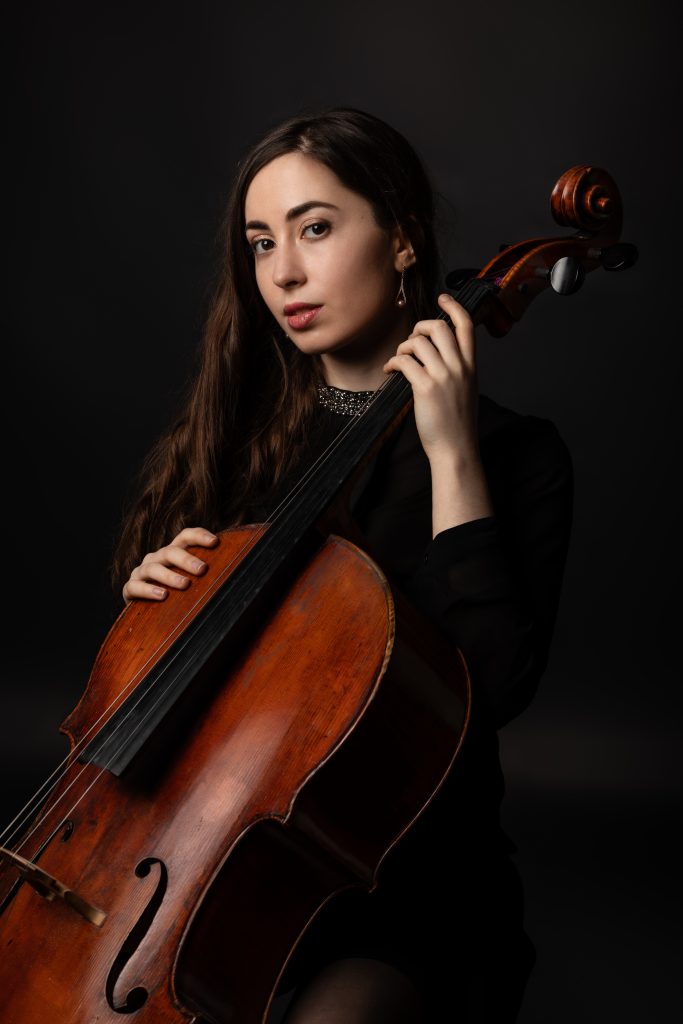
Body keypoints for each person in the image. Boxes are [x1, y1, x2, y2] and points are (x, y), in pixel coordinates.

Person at [113, 107, 574, 1023]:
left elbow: (487, 691)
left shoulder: (516, 456)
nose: (282, 272)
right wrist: (149, 610)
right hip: (218, 865)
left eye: (315, 228)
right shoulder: (238, 447)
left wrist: (449, 454)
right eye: (260, 243)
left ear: (402, 241)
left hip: (406, 887)